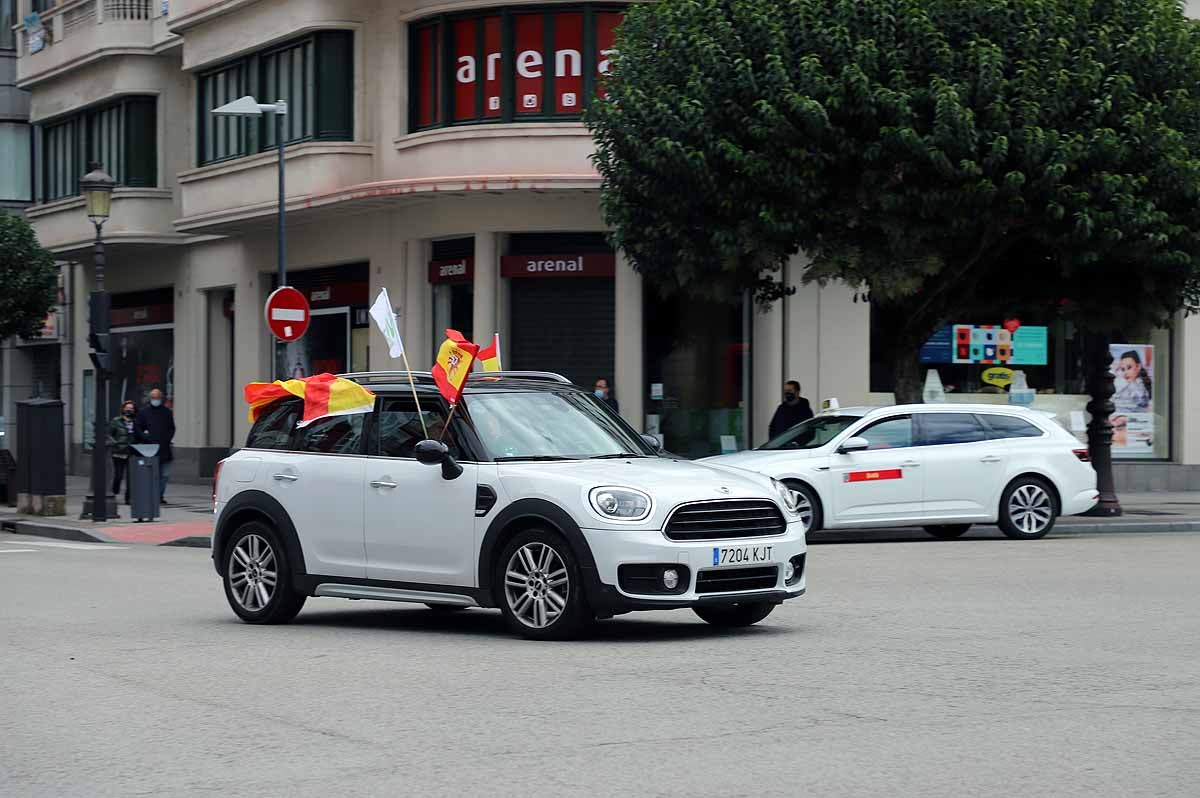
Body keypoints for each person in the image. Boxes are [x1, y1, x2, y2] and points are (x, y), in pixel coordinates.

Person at [136, 388, 175, 504]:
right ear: (150, 398)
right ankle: (151, 495)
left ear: (161, 398)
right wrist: (146, 437)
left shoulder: (167, 412)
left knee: (164, 475)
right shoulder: (144, 412)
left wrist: (166, 439)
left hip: (164, 449)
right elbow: (138, 428)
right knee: (151, 475)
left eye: (157, 398)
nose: (155, 400)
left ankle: (159, 496)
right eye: (153, 398)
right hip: (149, 449)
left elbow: (171, 428)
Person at [106, 400, 137, 504]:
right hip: (119, 452)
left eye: (131, 408)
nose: (129, 410)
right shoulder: (116, 421)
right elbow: (109, 435)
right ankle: (114, 492)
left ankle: (129, 499)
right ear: (123, 409)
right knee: (118, 475)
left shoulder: (136, 421)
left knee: (131, 477)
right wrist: (116, 443)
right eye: (127, 407)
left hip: (131, 452)